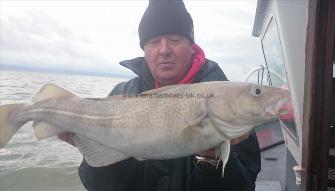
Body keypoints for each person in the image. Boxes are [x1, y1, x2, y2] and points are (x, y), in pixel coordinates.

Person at [59, 0, 261, 190]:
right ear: (144, 49)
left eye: (174, 39)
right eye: (154, 41)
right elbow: (100, 187)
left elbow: (244, 186)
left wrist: (210, 160)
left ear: (192, 46)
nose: (164, 50)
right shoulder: (122, 94)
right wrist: (94, 147)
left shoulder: (230, 100)